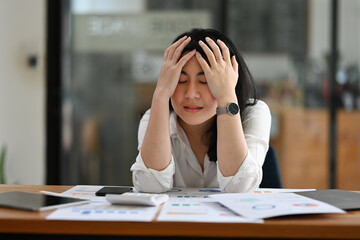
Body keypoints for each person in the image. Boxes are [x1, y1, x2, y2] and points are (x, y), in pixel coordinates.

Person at [130, 28, 271, 193]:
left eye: (205, 81)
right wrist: (160, 95)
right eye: (181, 80)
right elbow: (149, 186)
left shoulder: (254, 113)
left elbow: (239, 187)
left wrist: (226, 97)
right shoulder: (154, 117)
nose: (191, 94)